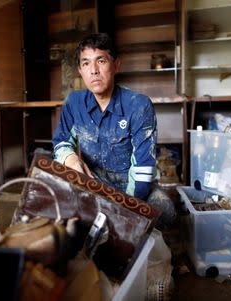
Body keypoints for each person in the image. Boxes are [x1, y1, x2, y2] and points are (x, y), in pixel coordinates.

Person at [52, 33, 176, 229]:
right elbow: (61, 143)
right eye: (86, 63)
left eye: (100, 61)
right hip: (92, 184)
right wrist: (72, 161)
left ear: (116, 65)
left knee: (164, 210)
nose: (93, 70)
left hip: (132, 187)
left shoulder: (138, 105)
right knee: (55, 207)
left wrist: (122, 208)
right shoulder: (74, 103)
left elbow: (143, 171)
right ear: (80, 70)